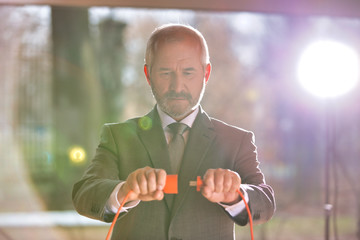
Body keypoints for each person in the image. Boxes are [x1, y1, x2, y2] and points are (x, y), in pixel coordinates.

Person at [72, 23, 275, 240]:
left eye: (188, 72)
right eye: (166, 72)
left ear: (205, 74)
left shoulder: (237, 140)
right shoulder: (117, 136)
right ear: (148, 74)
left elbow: (265, 203)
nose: (177, 86)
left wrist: (235, 195)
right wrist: (124, 190)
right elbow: (85, 194)